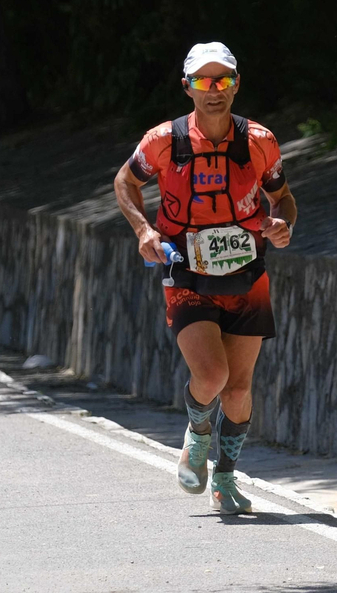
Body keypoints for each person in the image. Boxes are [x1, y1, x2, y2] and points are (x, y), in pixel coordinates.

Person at [113, 42, 296, 515]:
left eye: (223, 81)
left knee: (238, 388)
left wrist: (281, 225)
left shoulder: (260, 140)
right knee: (211, 375)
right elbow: (125, 182)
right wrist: (143, 230)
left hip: (248, 275)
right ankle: (196, 436)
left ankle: (227, 478)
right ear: (187, 87)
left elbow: (283, 197)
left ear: (236, 84)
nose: (213, 91)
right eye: (202, 82)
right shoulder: (162, 140)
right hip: (185, 273)